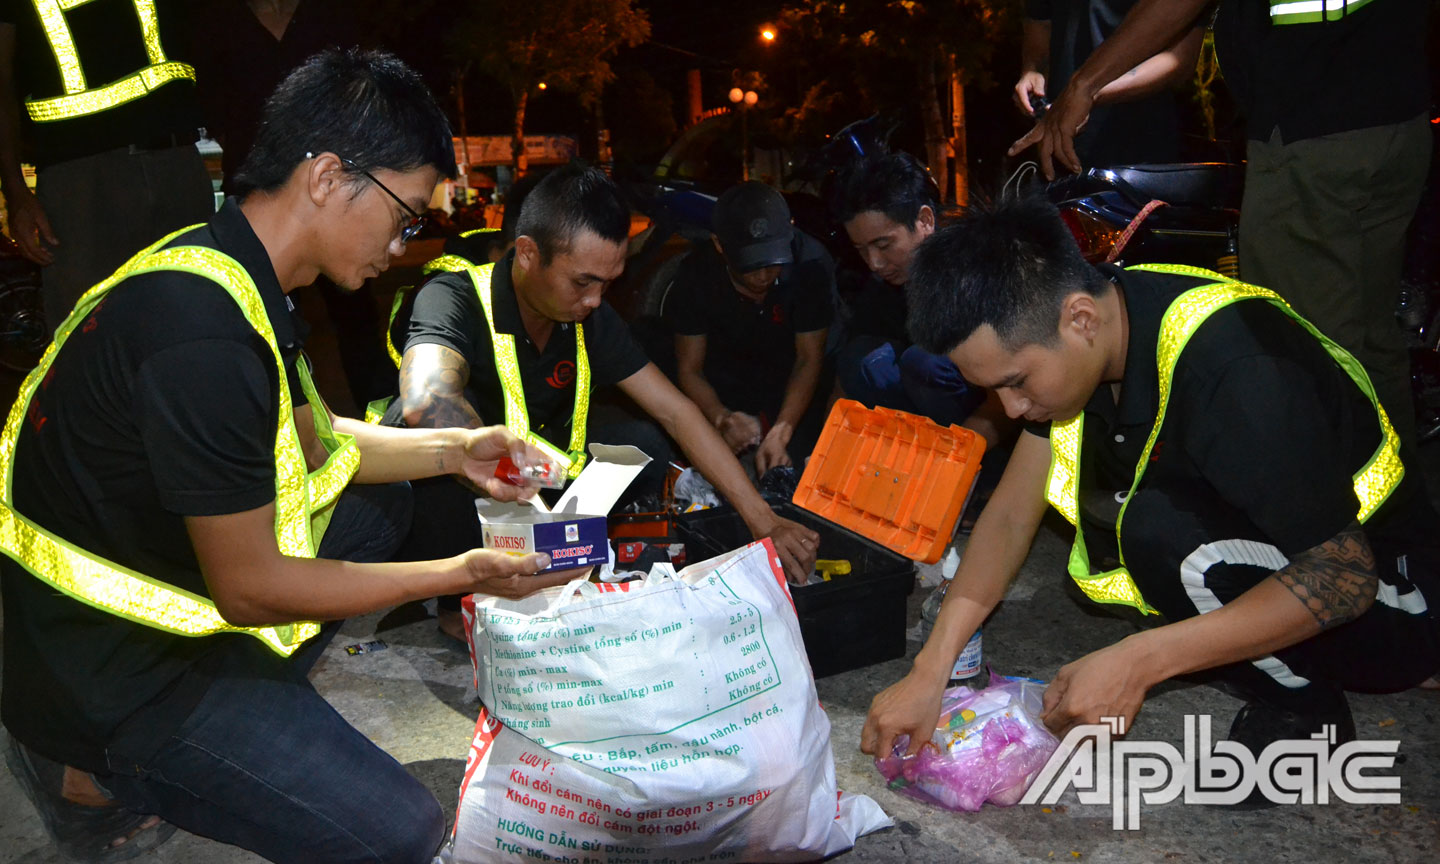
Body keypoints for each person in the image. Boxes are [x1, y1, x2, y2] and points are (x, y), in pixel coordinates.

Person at [0, 48, 577, 863]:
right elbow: (251, 588)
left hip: (151, 573)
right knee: (402, 831)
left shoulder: (234, 269)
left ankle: (250, 714)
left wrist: (457, 449)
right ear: (329, 176)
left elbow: (316, 442)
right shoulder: (200, 332)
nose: (404, 240)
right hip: (117, 671)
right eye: (406, 213)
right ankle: (81, 772)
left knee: (382, 509)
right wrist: (465, 573)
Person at [862, 197, 1439, 773]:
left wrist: (1139, 661)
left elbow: (1345, 575)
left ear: (1080, 319)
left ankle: (1307, 713)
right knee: (1148, 523)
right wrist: (930, 671)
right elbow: (1013, 514)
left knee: (1157, 530)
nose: (1010, 410)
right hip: (1296, 559)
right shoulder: (1099, 326)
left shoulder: (1239, 370)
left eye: (1016, 383)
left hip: (1396, 605)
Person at [387, 164, 822, 638]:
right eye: (583, 282)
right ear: (529, 254)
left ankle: (566, 561)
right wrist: (511, 481)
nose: (595, 300)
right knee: (432, 436)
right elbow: (426, 398)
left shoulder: (587, 315)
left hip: (533, 488)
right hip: (457, 496)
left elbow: (676, 412)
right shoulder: (454, 296)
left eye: (607, 283)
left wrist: (764, 520)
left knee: (642, 444)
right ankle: (456, 605)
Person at [1010, 0, 1431, 446]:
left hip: (1313, 134)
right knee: (1369, 335)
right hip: (1394, 119)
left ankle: (1339, 507)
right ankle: (1395, 498)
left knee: (1305, 347)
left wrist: (1084, 84)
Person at [0, 0, 216, 331]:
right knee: (87, 339)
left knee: (198, 325)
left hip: (176, 163)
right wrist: (15, 192)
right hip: (81, 184)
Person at [831, 152, 1011, 449]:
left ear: (925, 220)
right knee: (860, 358)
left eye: (884, 244)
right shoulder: (883, 284)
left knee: (925, 363)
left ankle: (980, 475)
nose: (874, 262)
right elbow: (843, 385)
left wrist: (953, 461)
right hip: (932, 423)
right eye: (861, 249)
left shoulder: (975, 268)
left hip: (997, 419)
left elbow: (1010, 395)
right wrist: (832, 450)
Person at [665, 181, 835, 472]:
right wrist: (721, 418)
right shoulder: (696, 276)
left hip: (788, 376)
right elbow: (690, 368)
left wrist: (781, 431)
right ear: (720, 245)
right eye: (750, 265)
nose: (764, 276)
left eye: (773, 262)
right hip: (724, 373)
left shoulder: (810, 264)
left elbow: (809, 359)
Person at [1013, 0, 1203, 167]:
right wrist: (1033, 70)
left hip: (1138, 151)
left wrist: (1088, 93)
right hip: (1054, 140)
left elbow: (1181, 57)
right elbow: (1040, 22)